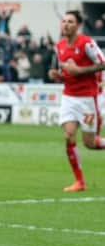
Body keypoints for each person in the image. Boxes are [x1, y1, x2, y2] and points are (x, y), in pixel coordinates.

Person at [48, 10, 105, 192]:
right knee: (68, 135)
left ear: (78, 25)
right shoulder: (59, 46)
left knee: (90, 143)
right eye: (64, 21)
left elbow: (103, 63)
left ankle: (80, 181)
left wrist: (80, 71)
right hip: (69, 97)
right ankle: (79, 182)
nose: (66, 24)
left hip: (88, 99)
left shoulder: (87, 43)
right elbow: (66, 71)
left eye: (70, 21)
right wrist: (57, 75)